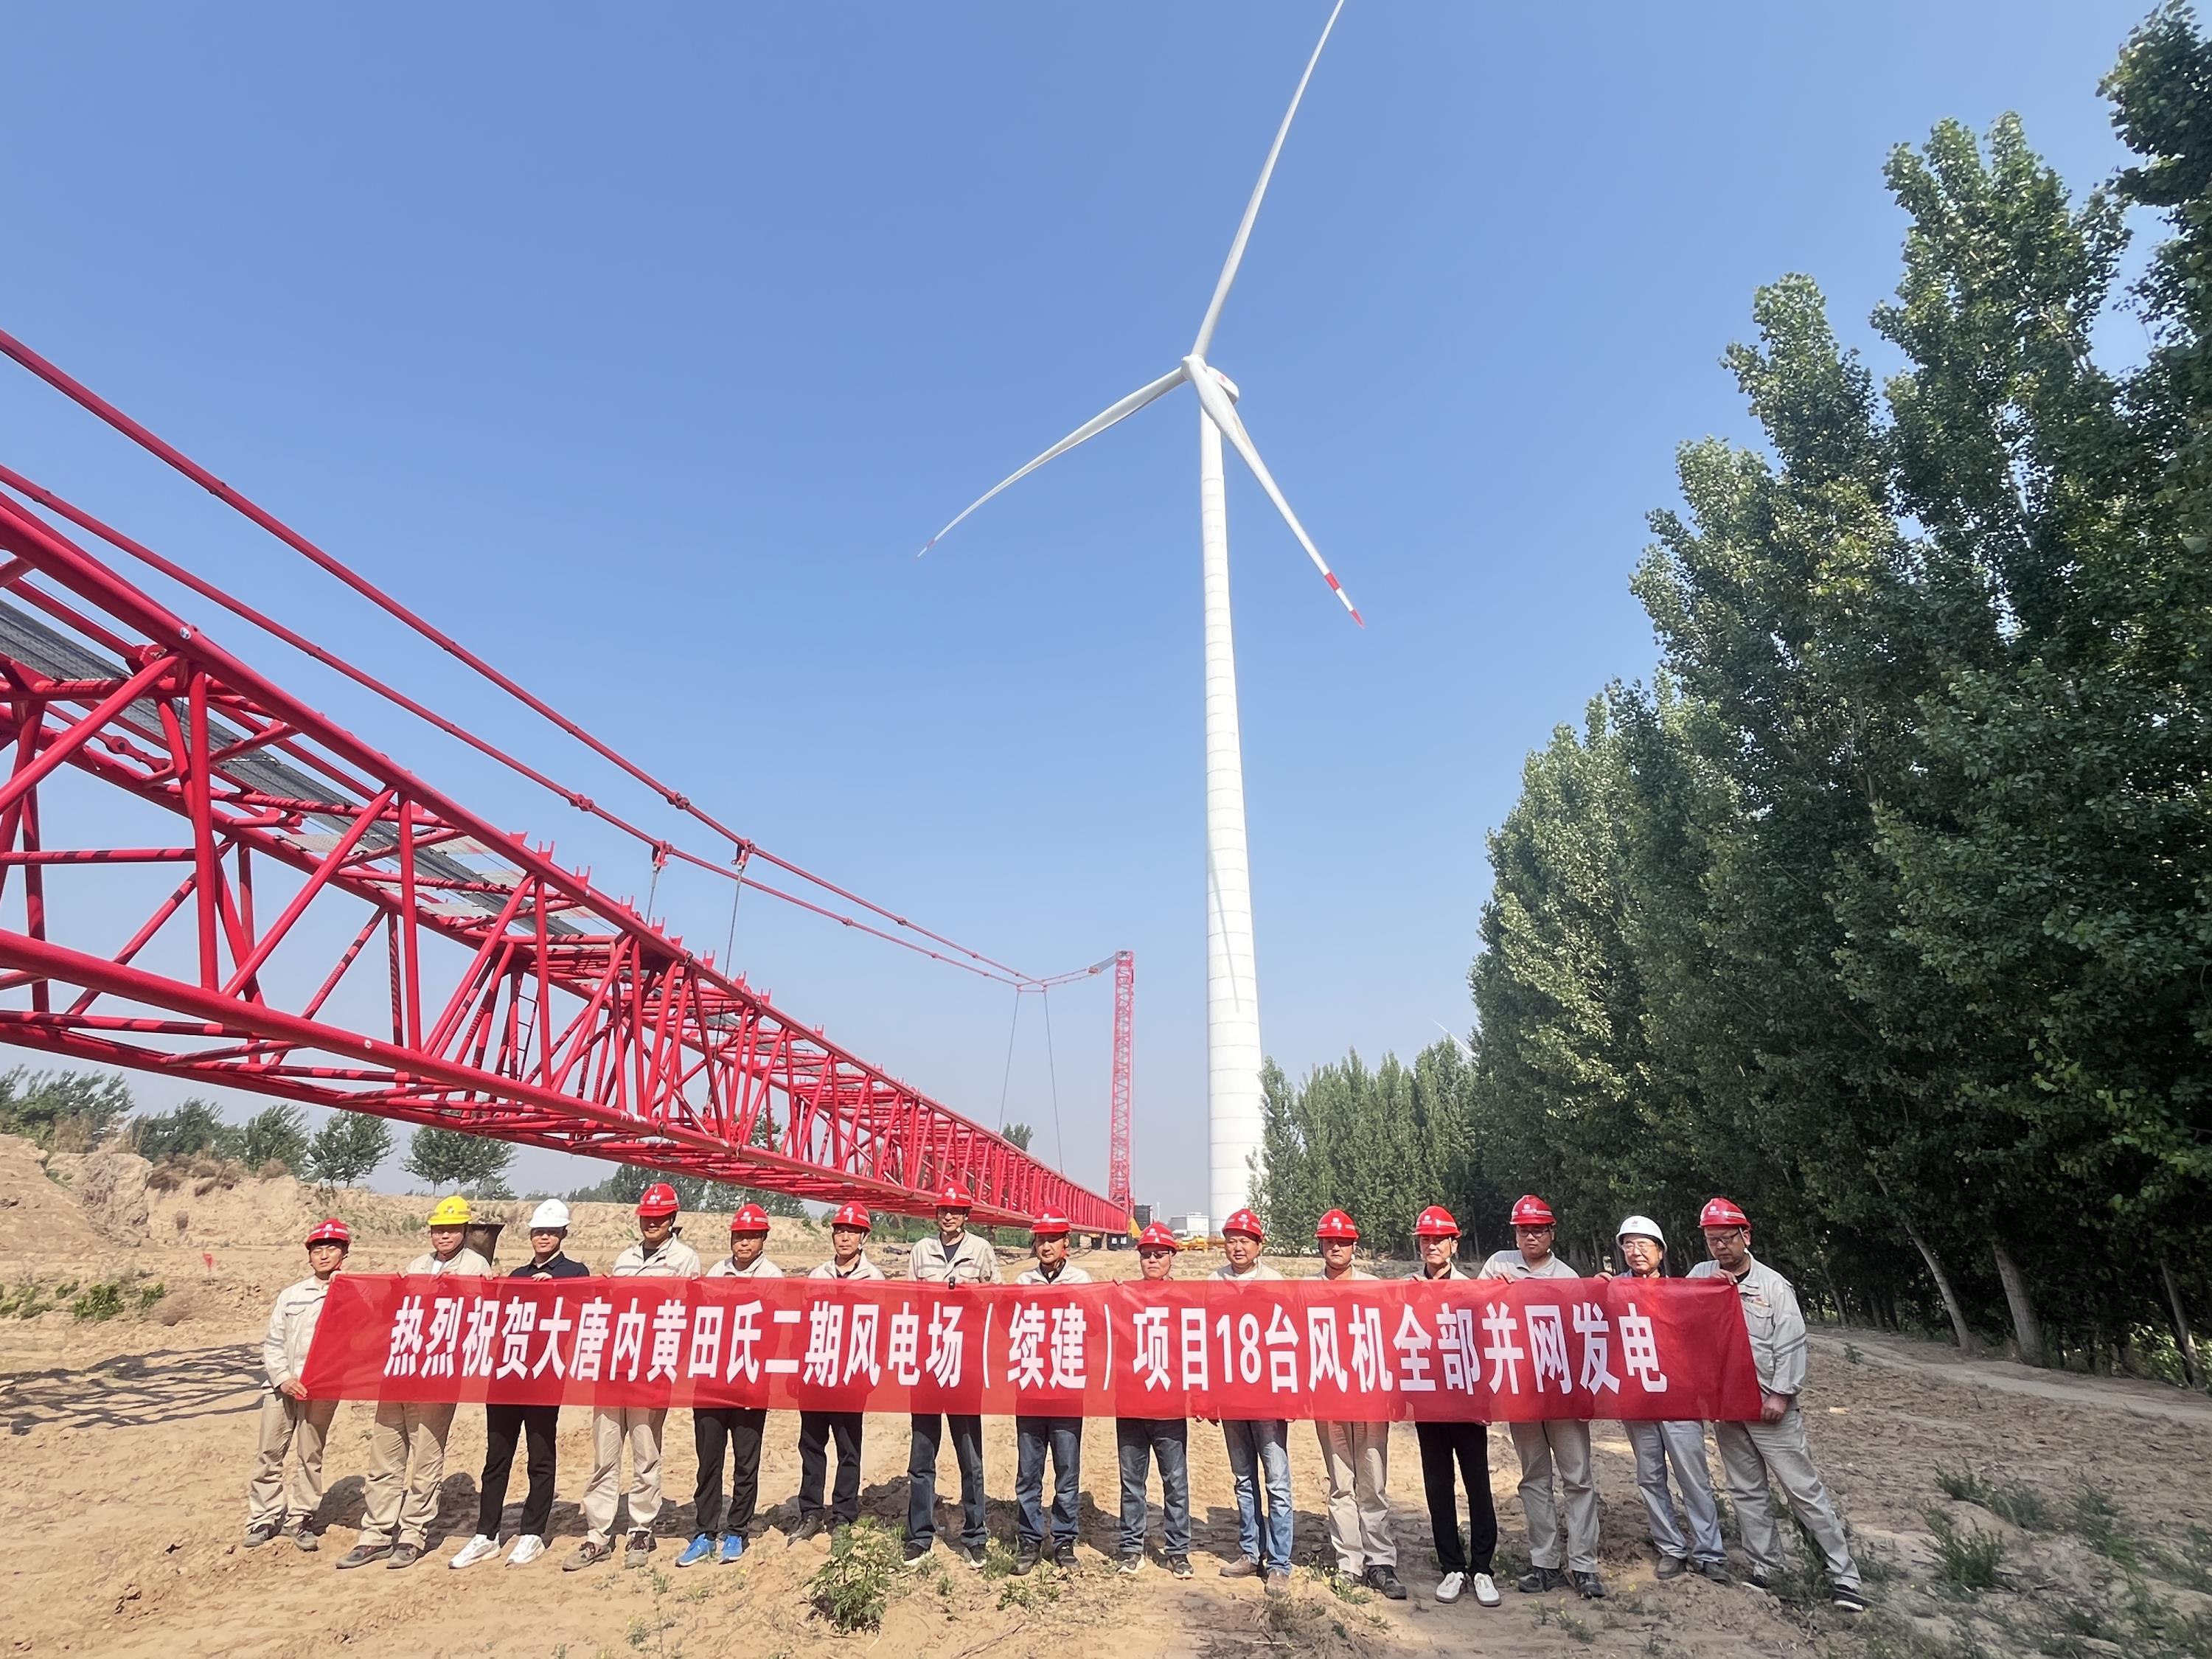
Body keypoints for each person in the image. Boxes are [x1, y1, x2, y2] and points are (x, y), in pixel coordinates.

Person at [1689, 1197, 1865, 1613]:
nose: (1720, 1247)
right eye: (1712, 1240)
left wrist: (1781, 1394)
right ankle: (1766, 1568)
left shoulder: (1773, 1286)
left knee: (1802, 1489)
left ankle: (1844, 1576)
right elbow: (1679, 1321)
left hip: (1770, 1406)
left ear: (1746, 1236)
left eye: (1727, 1238)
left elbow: (1791, 1343)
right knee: (1746, 1490)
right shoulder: (1700, 1276)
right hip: (1726, 1406)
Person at [338, 1196, 493, 1570]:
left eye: (451, 1230)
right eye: (438, 1230)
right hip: (402, 1371)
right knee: (385, 1456)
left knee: (426, 1458)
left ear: (465, 1231)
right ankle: (376, 1534)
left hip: (438, 1375)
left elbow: (477, 1316)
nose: (444, 1236)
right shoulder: (417, 1265)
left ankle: (412, 1533)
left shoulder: (476, 1267)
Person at [567, 1182, 702, 1571]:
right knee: (605, 1455)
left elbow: (688, 1313)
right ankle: (598, 1534)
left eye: (659, 1218)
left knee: (646, 1454)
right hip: (614, 1368)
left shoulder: (684, 1259)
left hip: (651, 1370)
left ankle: (641, 1529)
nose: (651, 1223)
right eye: (646, 1218)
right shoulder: (625, 1258)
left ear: (672, 1219)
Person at [451, 1200, 591, 1571]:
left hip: (545, 1374)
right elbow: (497, 1320)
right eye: (538, 1232)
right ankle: (486, 1534)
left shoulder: (575, 1273)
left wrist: (556, 1291)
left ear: (563, 1234)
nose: (543, 1238)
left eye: (551, 1232)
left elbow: (584, 1314)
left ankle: (533, 1532)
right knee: (497, 1456)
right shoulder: (517, 1274)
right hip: (507, 1375)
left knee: (540, 1455)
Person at [1478, 1193, 1604, 1599]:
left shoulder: (1568, 1277)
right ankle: (1545, 1562)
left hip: (1562, 1393)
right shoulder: (1498, 1265)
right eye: (1523, 1230)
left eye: (1538, 1230)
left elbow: (1584, 1338)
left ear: (1552, 1233)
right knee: (1534, 1477)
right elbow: (1474, 1316)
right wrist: (1491, 1292)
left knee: (1577, 1477)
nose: (1530, 1237)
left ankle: (1584, 1565)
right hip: (1521, 1392)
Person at [1614, 1215, 1730, 1585]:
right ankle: (1671, 1549)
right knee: (1650, 1477)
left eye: (1644, 1245)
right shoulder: (1613, 1291)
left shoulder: (1683, 1292)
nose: (1636, 1252)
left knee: (1693, 1477)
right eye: (1629, 1245)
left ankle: (1709, 1553)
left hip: (1680, 1400)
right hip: (1638, 1401)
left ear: (1661, 1252)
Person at [1408, 1204, 1502, 1608]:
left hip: (1466, 1403)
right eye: (1425, 1240)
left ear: (1453, 1244)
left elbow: (1487, 1346)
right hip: (1428, 1404)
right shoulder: (1406, 1289)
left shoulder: (1472, 1289)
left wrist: (1486, 1400)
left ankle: (1482, 1568)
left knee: (1477, 1484)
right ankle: (1452, 1566)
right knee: (1438, 1485)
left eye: (1439, 1240)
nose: (1432, 1246)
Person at [678, 1203, 783, 1568]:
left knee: (745, 1461)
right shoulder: (715, 1272)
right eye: (738, 1236)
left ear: (763, 1239)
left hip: (750, 1381)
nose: (743, 1243)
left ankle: (737, 1530)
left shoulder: (773, 1277)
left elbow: (774, 1330)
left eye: (751, 1237)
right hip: (711, 1380)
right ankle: (705, 1532)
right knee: (708, 1460)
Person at [904, 1181, 1001, 1568]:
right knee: (921, 1455)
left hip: (964, 1362)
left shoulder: (981, 1250)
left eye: (956, 1211)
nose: (948, 1216)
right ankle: (919, 1535)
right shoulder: (921, 1250)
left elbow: (998, 1299)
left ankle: (975, 1535)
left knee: (970, 1455)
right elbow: (908, 1302)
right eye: (944, 1210)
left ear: (965, 1216)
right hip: (928, 1363)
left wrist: (972, 1291)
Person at [1312, 1209, 1402, 1599]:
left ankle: (1380, 1561)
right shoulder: (1305, 1290)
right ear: (1321, 1245)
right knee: (1340, 1483)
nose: (1336, 1247)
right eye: (1330, 1242)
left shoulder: (1374, 1288)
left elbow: (1395, 1337)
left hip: (1369, 1399)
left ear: (1354, 1245)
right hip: (1328, 1399)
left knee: (1373, 1482)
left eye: (1343, 1242)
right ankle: (1349, 1561)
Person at [244, 1218, 349, 1552]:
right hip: (282, 1387)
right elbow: (273, 1342)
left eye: (331, 1249)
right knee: (269, 1454)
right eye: (317, 1250)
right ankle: (263, 1518)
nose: (324, 1255)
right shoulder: (291, 1296)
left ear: (344, 1254)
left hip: (322, 1389)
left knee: (310, 1455)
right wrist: (284, 1378)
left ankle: (301, 1517)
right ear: (309, 1256)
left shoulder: (351, 1294)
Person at [1210, 1208, 1293, 1597]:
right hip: (1231, 1396)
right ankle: (1250, 1550)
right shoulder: (1213, 1283)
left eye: (1245, 1240)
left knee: (1277, 1481)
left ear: (1259, 1245)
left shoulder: (1276, 1283)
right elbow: (1206, 1341)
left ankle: (1279, 1563)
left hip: (1268, 1398)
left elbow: (1290, 1341)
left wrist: (1290, 1395)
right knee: (1243, 1478)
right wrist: (1209, 1395)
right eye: (1231, 1240)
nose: (1238, 1247)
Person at [791, 1202, 884, 1545]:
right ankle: (811, 1512)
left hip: (851, 1376)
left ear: (864, 1238)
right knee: (811, 1445)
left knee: (848, 1447)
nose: (844, 1237)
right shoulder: (817, 1276)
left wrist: (871, 1372)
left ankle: (844, 1514)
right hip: (817, 1373)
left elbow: (880, 1331)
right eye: (840, 1231)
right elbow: (803, 1325)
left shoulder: (875, 1279)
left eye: (852, 1231)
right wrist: (797, 1369)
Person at [1011, 1209, 1091, 1574]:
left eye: (1052, 1239)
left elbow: (1093, 1327)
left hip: (1066, 1389)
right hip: (1029, 1387)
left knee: (1066, 1470)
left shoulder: (1081, 1281)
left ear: (1066, 1244)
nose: (1045, 1246)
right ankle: (1029, 1539)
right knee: (1028, 1472)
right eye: (1040, 1239)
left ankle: (1064, 1541)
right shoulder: (1023, 1281)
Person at [1116, 1222, 1192, 1579]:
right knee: (1132, 1481)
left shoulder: (1185, 1300)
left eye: (1160, 1254)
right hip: (1131, 1404)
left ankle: (1178, 1551)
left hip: (1168, 1405)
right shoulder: (1124, 1297)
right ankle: (1132, 1547)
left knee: (1175, 1481)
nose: (1152, 1260)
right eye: (1147, 1255)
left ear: (1172, 1258)